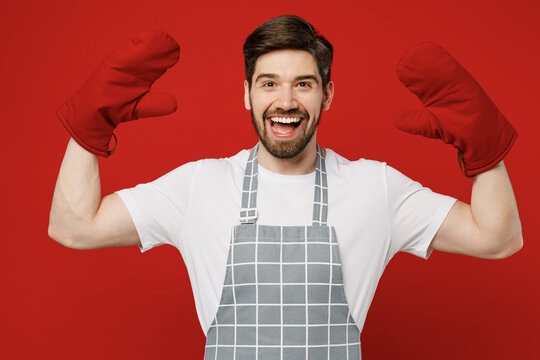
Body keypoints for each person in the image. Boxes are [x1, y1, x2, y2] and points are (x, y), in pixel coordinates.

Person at [48, 15, 523, 359]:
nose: (286, 101)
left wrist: (483, 149)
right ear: (248, 95)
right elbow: (74, 227)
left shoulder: (374, 187)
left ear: (327, 94)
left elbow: (497, 238)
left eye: (304, 84)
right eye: (269, 83)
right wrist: (89, 128)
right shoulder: (200, 185)